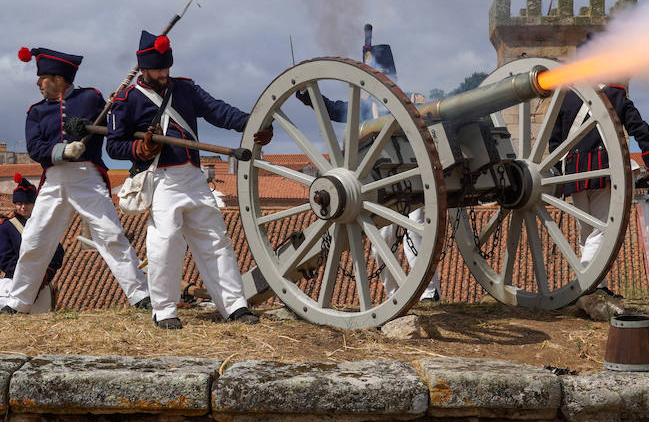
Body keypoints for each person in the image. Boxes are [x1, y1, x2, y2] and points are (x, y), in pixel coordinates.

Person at [106, 30, 272, 329]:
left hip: (193, 176)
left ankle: (234, 306)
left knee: (215, 241)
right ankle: (165, 310)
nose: (163, 73)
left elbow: (218, 111)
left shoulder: (185, 89)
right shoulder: (126, 99)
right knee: (166, 242)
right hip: (162, 179)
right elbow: (114, 146)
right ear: (143, 68)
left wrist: (252, 122)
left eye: (166, 67)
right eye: (157, 69)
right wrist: (139, 149)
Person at [0, 46, 151, 314]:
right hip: (54, 180)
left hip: (86, 177)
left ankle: (140, 295)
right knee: (34, 239)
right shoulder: (36, 112)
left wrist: (111, 111)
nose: (38, 83)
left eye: (42, 78)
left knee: (111, 234)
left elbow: (114, 126)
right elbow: (35, 148)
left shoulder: (92, 99)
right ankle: (17, 302)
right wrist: (63, 150)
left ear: (58, 79)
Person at [294, 89, 441, 302]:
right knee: (381, 242)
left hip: (411, 177)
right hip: (378, 187)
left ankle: (429, 293)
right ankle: (395, 296)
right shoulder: (360, 109)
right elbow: (332, 109)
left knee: (417, 230)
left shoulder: (406, 99)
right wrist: (309, 97)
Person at [548, 61, 649, 297]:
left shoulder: (568, 98)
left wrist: (559, 179)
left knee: (587, 232)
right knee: (601, 232)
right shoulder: (615, 95)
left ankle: (596, 286)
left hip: (574, 175)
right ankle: (587, 286)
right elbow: (640, 131)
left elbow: (555, 142)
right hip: (603, 172)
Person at [0, 174, 65, 313]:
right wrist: (28, 276)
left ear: (34, 204)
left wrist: (45, 275)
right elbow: (4, 259)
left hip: (42, 285)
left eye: (27, 203)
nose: (23, 207)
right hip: (14, 283)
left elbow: (57, 252)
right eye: (19, 204)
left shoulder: (44, 226)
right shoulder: (5, 227)